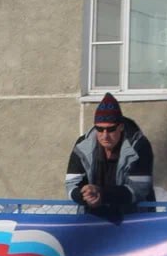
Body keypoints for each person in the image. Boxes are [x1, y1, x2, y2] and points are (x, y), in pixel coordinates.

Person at [65, 92, 156, 222]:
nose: (105, 135)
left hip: (133, 220)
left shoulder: (138, 146)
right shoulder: (82, 145)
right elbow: (71, 184)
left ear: (121, 127)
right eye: (100, 129)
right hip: (92, 218)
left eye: (111, 129)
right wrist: (84, 195)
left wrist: (102, 194)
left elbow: (139, 189)